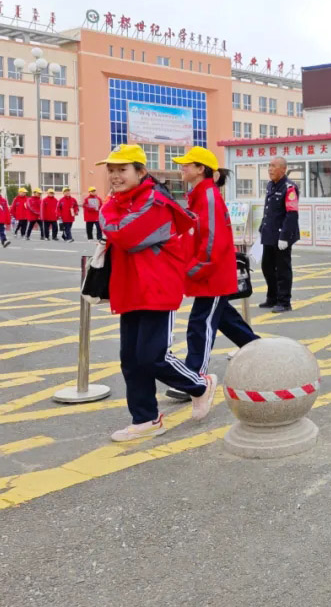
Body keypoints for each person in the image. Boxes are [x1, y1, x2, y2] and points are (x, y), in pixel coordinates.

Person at [98, 144, 214, 441]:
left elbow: (125, 235)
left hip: (156, 287)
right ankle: (146, 419)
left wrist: (107, 218)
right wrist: (108, 217)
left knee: (152, 356)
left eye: (122, 170)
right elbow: (108, 218)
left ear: (141, 171)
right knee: (131, 358)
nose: (115, 176)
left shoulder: (155, 201)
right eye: (111, 170)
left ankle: (200, 385)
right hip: (130, 287)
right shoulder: (120, 201)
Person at [168, 147, 260, 399]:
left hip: (212, 274)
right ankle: (261, 351)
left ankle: (193, 378)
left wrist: (196, 269)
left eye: (188, 164)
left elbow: (212, 240)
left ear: (201, 169)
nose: (182, 168)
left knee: (200, 324)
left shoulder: (207, 196)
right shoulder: (200, 195)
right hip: (211, 272)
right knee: (222, 319)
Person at [259, 156, 300, 313]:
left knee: (283, 268)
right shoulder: (271, 185)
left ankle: (284, 301)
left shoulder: (289, 188)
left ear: (283, 169)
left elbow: (291, 214)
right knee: (267, 266)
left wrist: (284, 236)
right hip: (269, 233)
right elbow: (269, 209)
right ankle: (272, 297)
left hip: (282, 235)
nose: (270, 169)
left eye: (273, 166)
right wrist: (262, 228)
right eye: (269, 166)